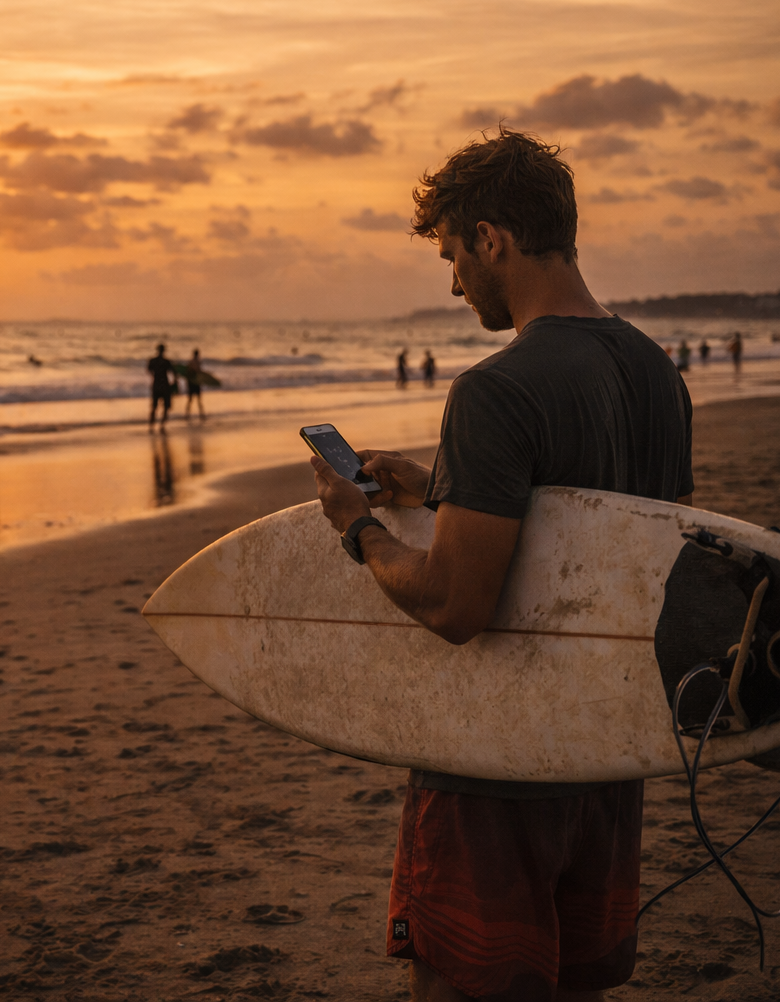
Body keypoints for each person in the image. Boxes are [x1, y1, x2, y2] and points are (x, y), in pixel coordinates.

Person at [310, 129, 692, 1002]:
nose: (452, 281)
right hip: (604, 760)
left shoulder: (495, 388)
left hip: (494, 766)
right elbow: (593, 544)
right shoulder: (656, 375)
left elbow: (454, 603)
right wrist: (444, 489)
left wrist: (358, 530)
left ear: (492, 239)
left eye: (452, 254)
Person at [148, 343, 175, 428]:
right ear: (163, 351)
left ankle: (151, 424)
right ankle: (162, 424)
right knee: (166, 406)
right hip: (165, 385)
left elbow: (149, 370)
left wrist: (154, 375)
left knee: (154, 406)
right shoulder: (166, 362)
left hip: (156, 384)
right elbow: (173, 372)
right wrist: (174, 383)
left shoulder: (153, 361)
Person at [184, 348, 207, 420]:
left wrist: (187, 382)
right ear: (197, 354)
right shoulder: (198, 362)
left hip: (191, 383)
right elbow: (199, 373)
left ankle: (187, 415)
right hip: (196, 383)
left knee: (190, 400)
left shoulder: (190, 362)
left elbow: (188, 373)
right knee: (199, 400)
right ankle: (201, 415)